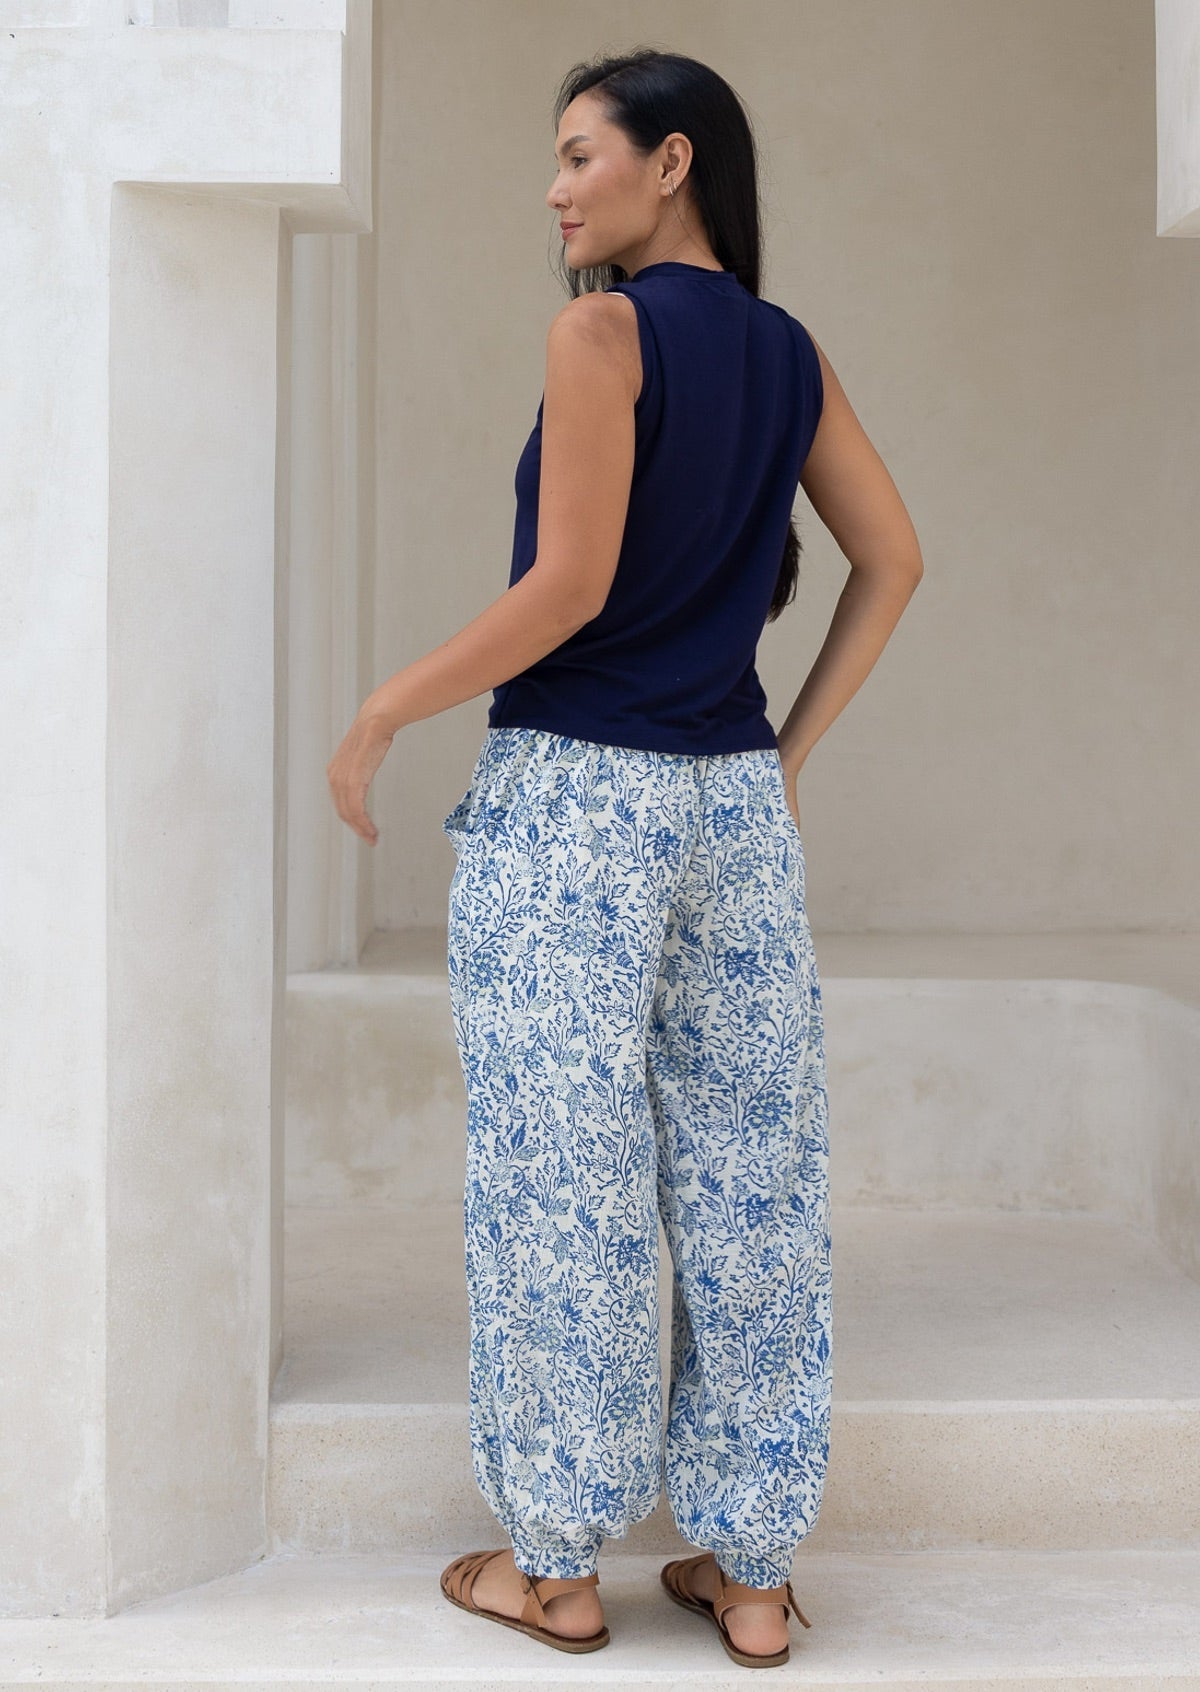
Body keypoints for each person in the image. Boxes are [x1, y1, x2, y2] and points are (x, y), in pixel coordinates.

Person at [327, 48, 923, 1671]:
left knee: (562, 1182)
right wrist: (783, 759)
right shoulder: (787, 353)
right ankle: (749, 1576)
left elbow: (568, 586)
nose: (557, 188)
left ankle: (559, 1567)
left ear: (673, 164)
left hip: (578, 803)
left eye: (582, 156)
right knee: (751, 1180)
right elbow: (897, 557)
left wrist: (388, 703)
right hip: (731, 808)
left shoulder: (601, 330)